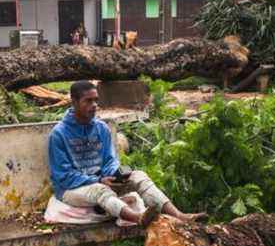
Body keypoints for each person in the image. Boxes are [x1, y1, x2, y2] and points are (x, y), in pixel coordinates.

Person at [47, 81, 205, 226]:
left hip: (102, 182)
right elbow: (63, 175)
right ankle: (139, 218)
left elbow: (110, 160)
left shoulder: (101, 128)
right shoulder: (59, 134)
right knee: (100, 190)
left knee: (139, 176)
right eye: (88, 101)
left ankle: (180, 216)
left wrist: (116, 175)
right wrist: (98, 180)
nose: (94, 105)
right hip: (71, 190)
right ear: (74, 102)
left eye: (96, 100)